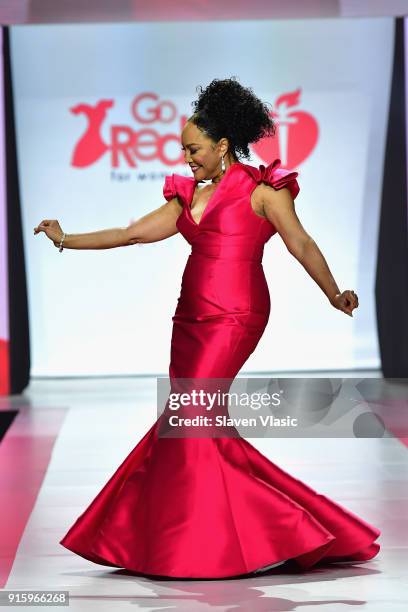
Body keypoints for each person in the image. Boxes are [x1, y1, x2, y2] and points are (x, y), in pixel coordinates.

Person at [34, 77, 380, 579]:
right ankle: (204, 535)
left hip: (236, 317)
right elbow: (130, 234)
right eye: (182, 149)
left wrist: (333, 293)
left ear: (221, 146)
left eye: (193, 149)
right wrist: (67, 239)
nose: (186, 157)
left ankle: (249, 535)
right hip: (190, 318)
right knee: (196, 424)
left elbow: (301, 243)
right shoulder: (186, 196)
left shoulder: (264, 192)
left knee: (193, 420)